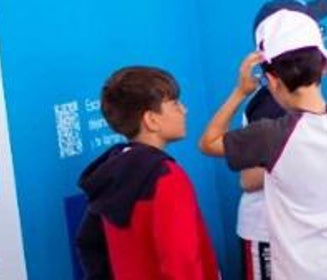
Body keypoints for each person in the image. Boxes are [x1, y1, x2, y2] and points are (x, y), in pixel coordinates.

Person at [199, 7, 327, 280]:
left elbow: (209, 142)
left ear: (273, 79)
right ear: (325, 66)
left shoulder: (270, 135)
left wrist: (240, 91)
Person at [75, 66, 219, 279]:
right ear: (151, 120)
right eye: (175, 104)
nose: (184, 110)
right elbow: (182, 263)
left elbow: (89, 244)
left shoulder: (109, 174)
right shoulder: (167, 177)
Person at [234, 0, 327, 280]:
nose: (321, 34)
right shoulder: (271, 103)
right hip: (268, 235)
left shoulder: (305, 101)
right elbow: (250, 178)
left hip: (300, 233)